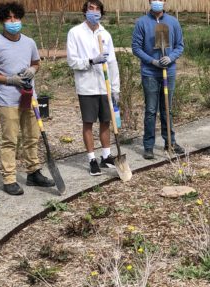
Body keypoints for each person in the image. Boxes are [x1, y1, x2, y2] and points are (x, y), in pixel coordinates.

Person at [0, 2, 54, 195]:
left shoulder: (29, 42)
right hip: (8, 100)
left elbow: (36, 63)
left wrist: (32, 70)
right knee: (10, 140)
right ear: (1, 21)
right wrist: (9, 79)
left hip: (29, 97)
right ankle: (9, 179)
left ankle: (33, 172)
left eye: (16, 18)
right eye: (8, 18)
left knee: (32, 137)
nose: (13, 22)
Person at [66, 0, 120, 176]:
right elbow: (72, 61)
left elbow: (112, 63)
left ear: (101, 13)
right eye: (91, 8)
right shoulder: (75, 33)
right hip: (87, 86)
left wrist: (115, 88)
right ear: (85, 11)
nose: (94, 12)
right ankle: (91, 158)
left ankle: (106, 156)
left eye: (97, 9)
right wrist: (91, 61)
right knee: (88, 122)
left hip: (104, 86)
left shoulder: (106, 34)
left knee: (106, 121)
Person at [132, 0, 185, 160]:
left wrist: (170, 57)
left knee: (167, 109)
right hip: (150, 73)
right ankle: (148, 146)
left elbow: (180, 46)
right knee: (150, 110)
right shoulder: (142, 23)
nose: (157, 2)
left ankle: (170, 143)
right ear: (149, 2)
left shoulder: (173, 22)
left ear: (165, 2)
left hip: (168, 72)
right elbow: (136, 48)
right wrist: (152, 61)